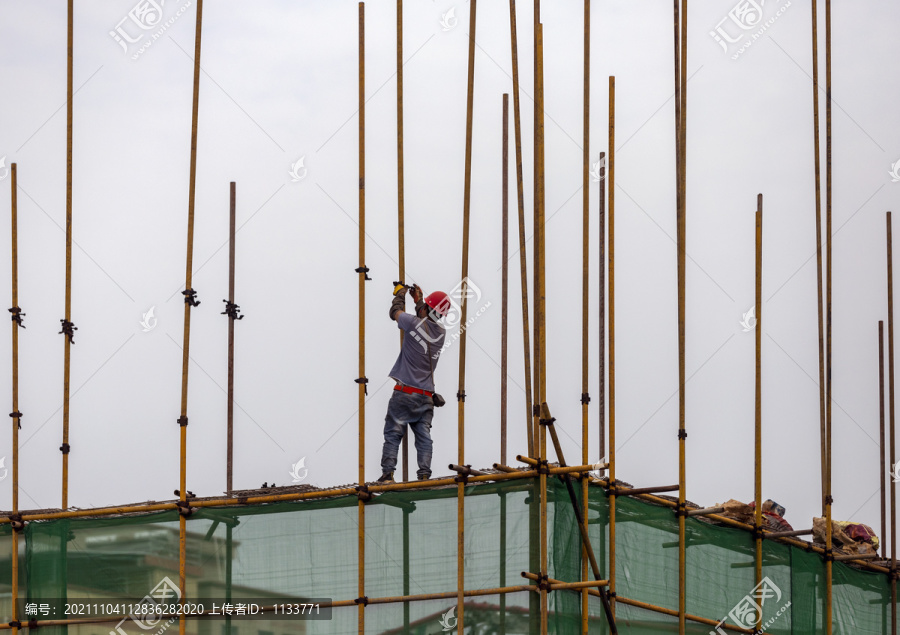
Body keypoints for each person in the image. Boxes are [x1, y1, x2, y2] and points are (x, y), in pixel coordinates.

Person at [378, 283, 450, 483]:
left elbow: (395, 312)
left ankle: (388, 474)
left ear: (427, 309)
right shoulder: (441, 334)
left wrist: (399, 293)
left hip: (405, 394)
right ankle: (424, 474)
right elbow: (426, 316)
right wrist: (418, 300)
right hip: (426, 397)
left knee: (393, 433)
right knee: (424, 436)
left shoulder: (412, 323)